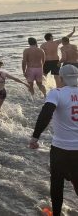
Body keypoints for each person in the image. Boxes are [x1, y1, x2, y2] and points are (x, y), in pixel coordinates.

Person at [29, 65, 78, 216]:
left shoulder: (56, 93)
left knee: (57, 184)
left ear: (61, 78)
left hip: (60, 149)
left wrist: (35, 137)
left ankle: (56, 213)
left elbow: (46, 114)